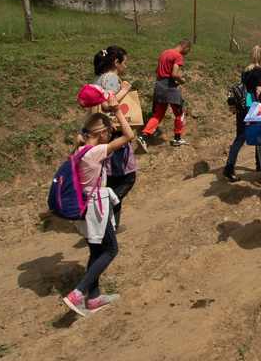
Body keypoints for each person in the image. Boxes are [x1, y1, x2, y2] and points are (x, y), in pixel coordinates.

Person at [62, 100, 133, 317]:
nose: (111, 136)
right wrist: (117, 111)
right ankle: (78, 293)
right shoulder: (96, 152)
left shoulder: (79, 150)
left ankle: (94, 298)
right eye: (109, 133)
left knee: (96, 251)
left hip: (83, 208)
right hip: (95, 208)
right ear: (102, 133)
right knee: (111, 250)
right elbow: (129, 136)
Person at [93, 46, 141, 234]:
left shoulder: (98, 80)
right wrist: (125, 89)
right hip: (115, 135)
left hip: (102, 135)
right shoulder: (112, 78)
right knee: (127, 177)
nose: (125, 66)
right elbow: (108, 104)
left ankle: (113, 224)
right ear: (116, 62)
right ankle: (105, 212)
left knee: (111, 180)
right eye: (124, 62)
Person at [223, 45, 261, 182]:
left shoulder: (246, 70)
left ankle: (230, 166)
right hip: (253, 104)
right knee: (259, 132)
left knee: (240, 136)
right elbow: (258, 91)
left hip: (243, 104)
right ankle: (259, 164)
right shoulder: (260, 71)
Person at [139, 39, 191, 148]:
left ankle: (144, 137)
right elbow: (175, 74)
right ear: (185, 46)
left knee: (158, 115)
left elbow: (156, 70)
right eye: (188, 50)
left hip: (159, 86)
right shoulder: (178, 56)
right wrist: (181, 81)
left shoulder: (164, 53)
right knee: (180, 111)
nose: (187, 52)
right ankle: (177, 138)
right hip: (169, 87)